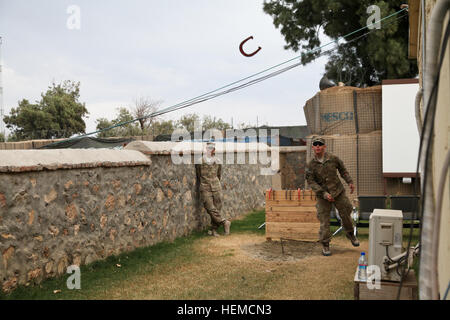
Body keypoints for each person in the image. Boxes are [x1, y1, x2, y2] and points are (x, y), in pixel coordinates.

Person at [305, 137, 360, 256]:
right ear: (313, 147)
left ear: (324, 146)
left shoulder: (333, 159)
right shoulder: (311, 165)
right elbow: (311, 181)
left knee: (346, 212)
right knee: (324, 219)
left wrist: (349, 181)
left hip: (338, 192)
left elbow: (343, 170)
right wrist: (324, 194)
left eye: (320, 144)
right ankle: (325, 244)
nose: (318, 146)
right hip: (322, 195)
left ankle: (350, 234)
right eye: (316, 144)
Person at [195, 142, 231, 236]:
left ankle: (214, 230)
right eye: (208, 148)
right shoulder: (200, 161)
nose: (210, 150)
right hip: (205, 187)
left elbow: (219, 174)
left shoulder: (218, 161)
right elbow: (198, 175)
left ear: (214, 150)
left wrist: (215, 183)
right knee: (210, 208)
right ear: (206, 149)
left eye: (212, 148)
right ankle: (224, 222)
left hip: (216, 187)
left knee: (217, 208)